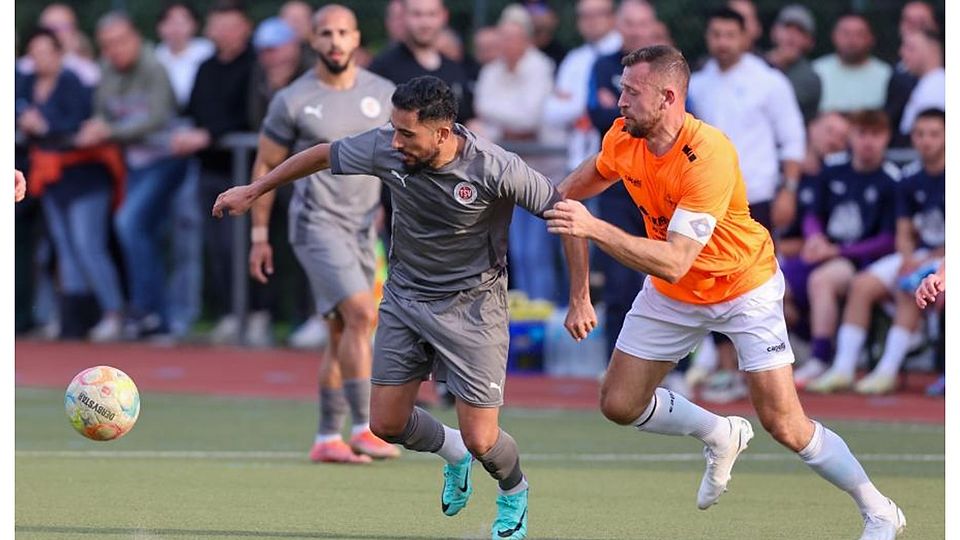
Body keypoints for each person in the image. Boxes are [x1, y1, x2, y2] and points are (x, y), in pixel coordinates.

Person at [545, 45, 905, 540]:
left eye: (632, 92)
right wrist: (580, 295)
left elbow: (674, 259)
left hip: (743, 286)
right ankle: (719, 431)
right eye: (623, 90)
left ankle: (880, 509)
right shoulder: (621, 137)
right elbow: (566, 200)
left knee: (785, 424)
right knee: (619, 404)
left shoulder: (707, 153)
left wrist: (596, 229)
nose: (620, 101)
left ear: (668, 97)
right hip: (675, 291)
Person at [213, 75, 595, 540]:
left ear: (442, 132)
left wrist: (579, 298)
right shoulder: (387, 149)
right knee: (385, 424)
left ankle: (514, 489)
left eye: (406, 134)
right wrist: (255, 190)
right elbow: (319, 154)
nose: (395, 142)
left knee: (484, 440)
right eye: (393, 130)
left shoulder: (496, 167)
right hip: (405, 298)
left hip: (474, 309)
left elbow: (568, 217)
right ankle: (451, 452)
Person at [250, 4, 398, 463]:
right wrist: (258, 235)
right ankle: (364, 427)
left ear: (357, 39)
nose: (335, 41)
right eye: (325, 33)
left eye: (343, 33)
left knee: (340, 332)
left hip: (361, 229)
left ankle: (325, 438)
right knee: (360, 315)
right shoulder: (293, 99)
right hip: (315, 225)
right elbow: (266, 166)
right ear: (312, 40)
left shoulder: (385, 93)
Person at [688, 7, 805, 402]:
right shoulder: (699, 83)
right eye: (716, 33)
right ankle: (725, 368)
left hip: (757, 196)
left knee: (755, 285)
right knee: (714, 283)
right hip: (708, 200)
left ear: (745, 36)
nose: (722, 41)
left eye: (729, 34)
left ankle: (768, 371)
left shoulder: (769, 82)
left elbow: (792, 139)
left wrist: (789, 187)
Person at [809, 108, 944, 395]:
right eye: (920, 134)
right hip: (919, 254)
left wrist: (926, 262)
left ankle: (887, 372)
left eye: (934, 134)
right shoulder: (910, 178)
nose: (926, 141)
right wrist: (908, 258)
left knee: (914, 286)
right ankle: (843, 369)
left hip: (942, 258)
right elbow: (904, 231)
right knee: (863, 284)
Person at [78, 12, 186, 341]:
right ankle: (151, 315)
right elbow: (100, 110)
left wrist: (107, 130)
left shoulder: (155, 68)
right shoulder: (107, 71)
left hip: (166, 160)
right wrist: (97, 124)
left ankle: (149, 310)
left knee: (130, 224)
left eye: (120, 42)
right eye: (107, 45)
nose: (115, 50)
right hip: (135, 164)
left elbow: (155, 119)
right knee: (139, 233)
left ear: (136, 39)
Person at [17, 28, 126, 341]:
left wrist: (44, 125)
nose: (40, 59)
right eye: (34, 53)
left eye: (45, 52)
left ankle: (114, 313)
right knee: (65, 250)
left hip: (83, 176)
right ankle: (74, 319)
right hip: (51, 179)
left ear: (58, 53)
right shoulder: (25, 83)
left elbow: (80, 125)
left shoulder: (73, 82)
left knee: (88, 246)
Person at [789, 110, 899, 390]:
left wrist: (836, 251)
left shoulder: (891, 180)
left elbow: (887, 240)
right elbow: (812, 214)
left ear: (886, 138)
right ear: (852, 136)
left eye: (875, 135)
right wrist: (815, 238)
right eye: (862, 134)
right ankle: (792, 348)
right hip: (824, 251)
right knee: (769, 283)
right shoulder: (834, 169)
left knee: (822, 280)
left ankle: (821, 357)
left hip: (860, 261)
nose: (868, 142)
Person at [813, 13, 892, 114]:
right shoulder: (817, 71)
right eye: (845, 33)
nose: (852, 40)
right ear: (834, 36)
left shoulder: (886, 75)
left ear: (871, 39)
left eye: (859, 34)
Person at [765, 4, 821, 124]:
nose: (792, 35)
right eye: (787, 27)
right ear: (774, 31)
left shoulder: (810, 79)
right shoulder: (754, 63)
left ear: (810, 41)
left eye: (800, 31)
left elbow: (775, 107)